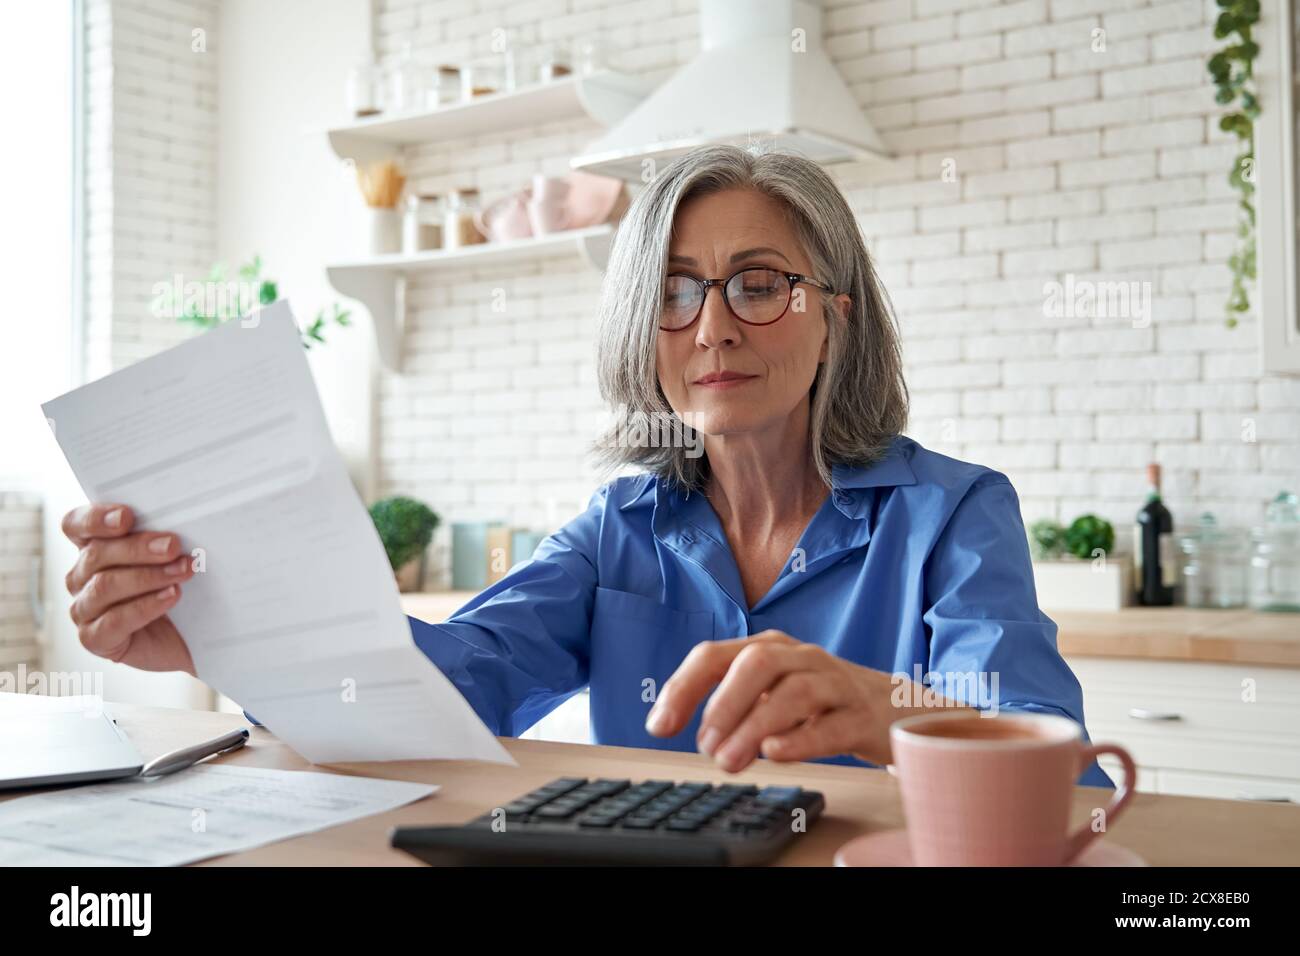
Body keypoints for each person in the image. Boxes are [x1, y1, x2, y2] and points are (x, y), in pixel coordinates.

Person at [61, 145, 1113, 787]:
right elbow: (448, 688)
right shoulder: (621, 528)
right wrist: (220, 634)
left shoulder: (951, 513)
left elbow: (1053, 746)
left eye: (758, 283)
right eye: (673, 290)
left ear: (832, 319)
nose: (711, 327)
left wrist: (887, 705)